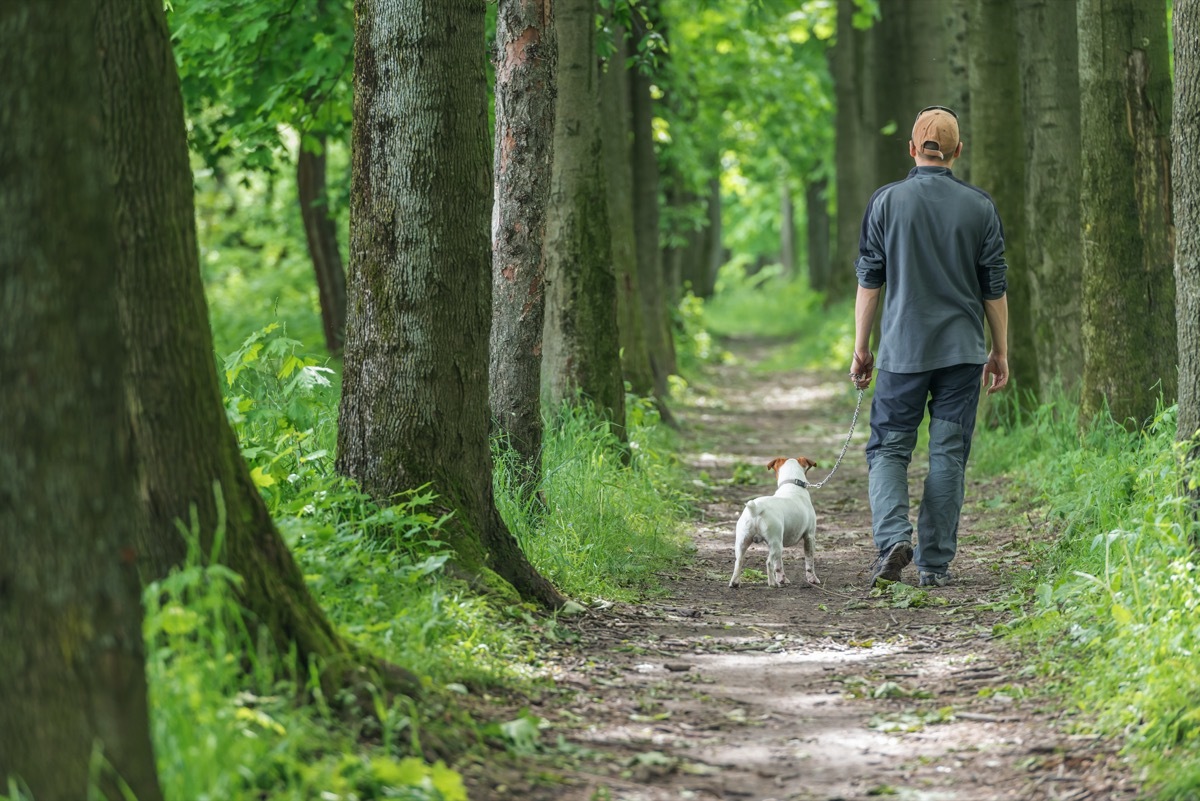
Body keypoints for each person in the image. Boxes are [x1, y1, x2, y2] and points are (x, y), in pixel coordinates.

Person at [851, 105, 1009, 589]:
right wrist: (1000, 351)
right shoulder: (980, 207)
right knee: (948, 453)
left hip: (901, 351)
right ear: (958, 151)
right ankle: (935, 565)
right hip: (962, 352)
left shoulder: (885, 202)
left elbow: (870, 282)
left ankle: (893, 539)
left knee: (889, 450)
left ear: (912, 149)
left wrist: (861, 348)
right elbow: (994, 287)